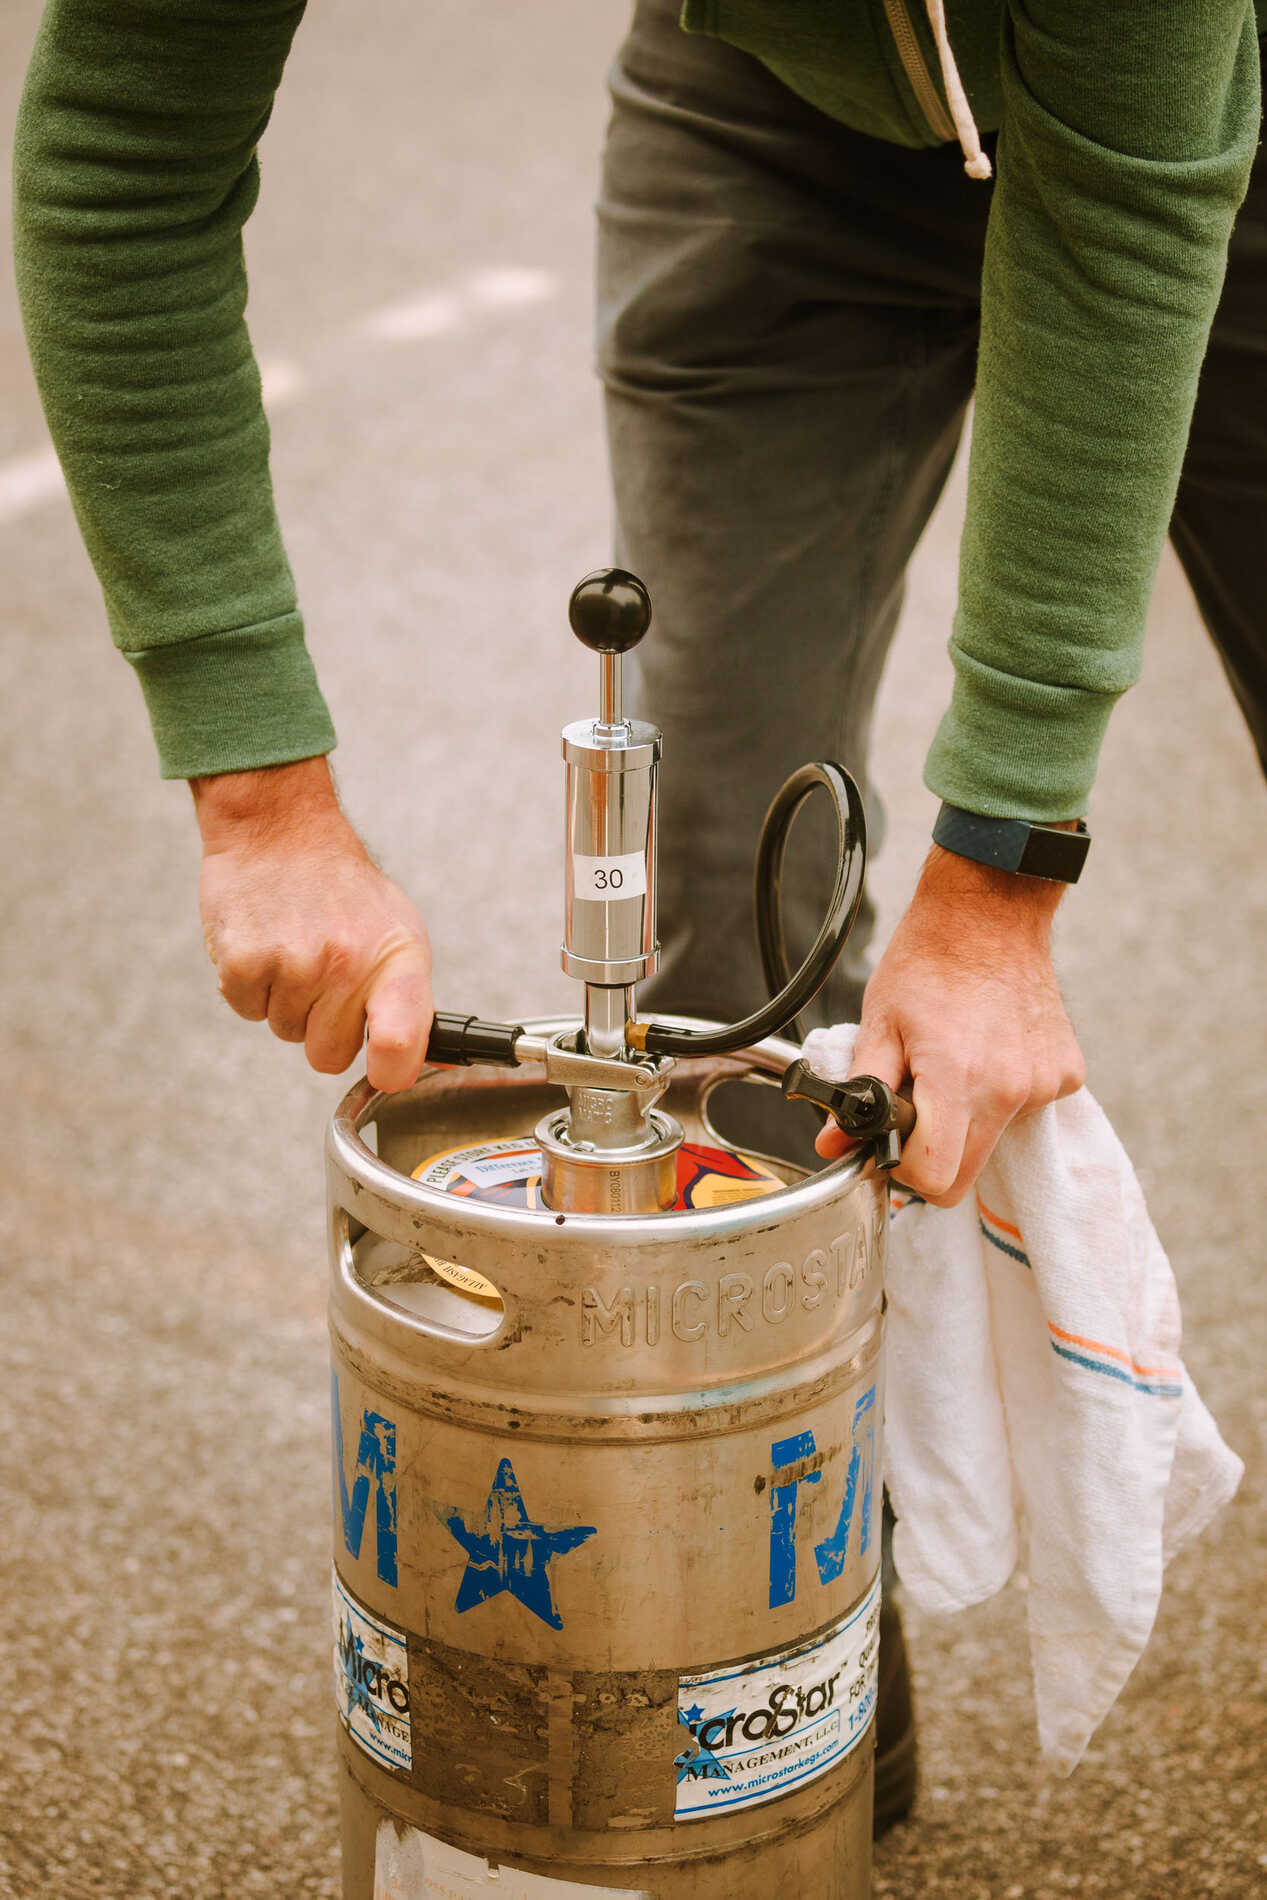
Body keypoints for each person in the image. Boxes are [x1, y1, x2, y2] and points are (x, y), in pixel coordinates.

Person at [13, 0, 1265, 1837]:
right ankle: (775, 1664)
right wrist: (260, 795)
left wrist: (999, 883)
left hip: (1207, 140)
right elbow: (121, 144)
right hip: (768, 115)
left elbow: (1132, 201)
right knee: (724, 981)